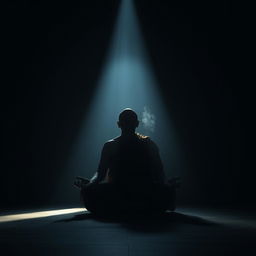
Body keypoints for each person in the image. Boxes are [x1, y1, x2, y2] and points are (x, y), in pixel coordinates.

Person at [74, 108, 180, 216]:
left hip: (143, 191)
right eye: (126, 121)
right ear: (119, 124)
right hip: (118, 191)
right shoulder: (110, 146)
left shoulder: (148, 144)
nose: (128, 124)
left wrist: (166, 185)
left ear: (136, 123)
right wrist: (90, 184)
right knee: (90, 191)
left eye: (130, 121)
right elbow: (100, 173)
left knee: (165, 192)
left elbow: (159, 172)